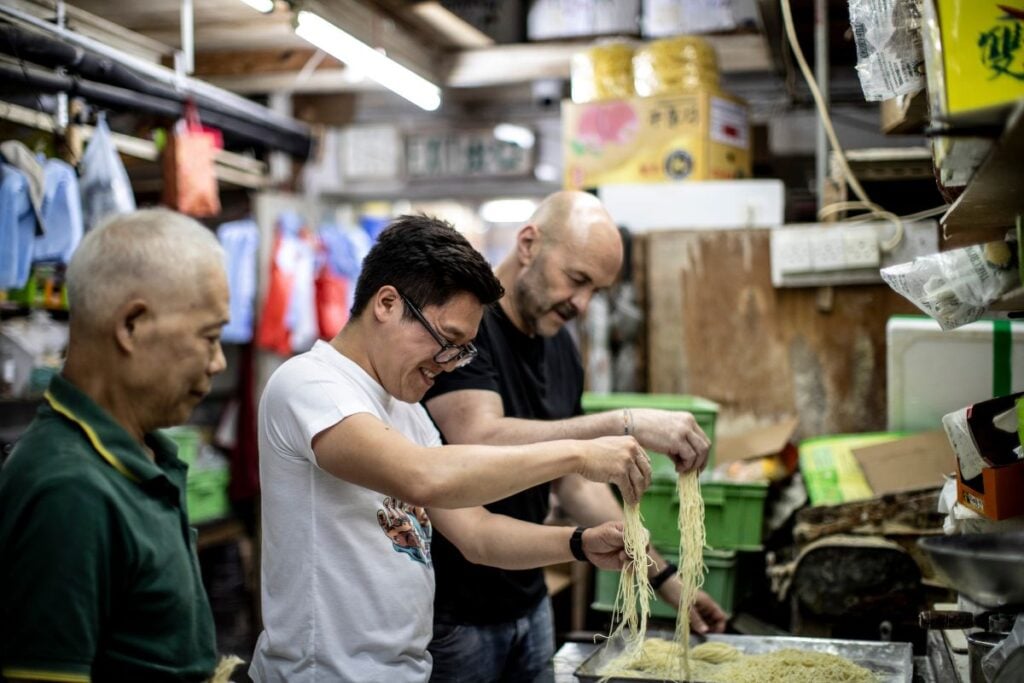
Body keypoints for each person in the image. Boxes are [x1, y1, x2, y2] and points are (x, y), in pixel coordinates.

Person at [249, 215, 653, 683]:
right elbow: (423, 475)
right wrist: (578, 453)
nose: (449, 364)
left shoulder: (407, 411)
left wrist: (579, 543)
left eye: (463, 351)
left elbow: (478, 535)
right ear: (386, 303)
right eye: (448, 341)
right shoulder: (309, 384)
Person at [423, 191, 729, 682]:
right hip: (455, 616)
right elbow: (477, 438)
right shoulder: (465, 330)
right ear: (528, 243)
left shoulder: (560, 345)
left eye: (596, 292)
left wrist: (665, 578)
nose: (582, 304)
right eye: (578, 279)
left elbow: (575, 483)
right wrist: (620, 422)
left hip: (529, 599)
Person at [0, 209, 229, 682]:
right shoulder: (68, 490)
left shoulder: (140, 455)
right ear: (132, 326)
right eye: (209, 337)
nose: (219, 362)